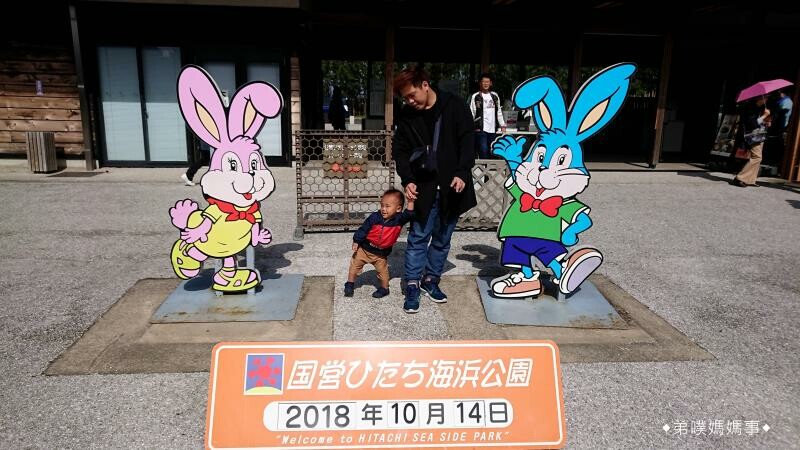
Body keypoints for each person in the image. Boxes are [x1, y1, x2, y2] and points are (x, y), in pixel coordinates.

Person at [392, 66, 477, 314]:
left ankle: (431, 279)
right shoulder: (407, 115)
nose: (410, 101)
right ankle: (412, 283)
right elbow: (400, 150)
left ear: (425, 84)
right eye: (405, 98)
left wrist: (462, 171)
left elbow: (467, 140)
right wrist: (407, 179)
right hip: (423, 185)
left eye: (412, 95)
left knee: (442, 238)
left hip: (453, 185)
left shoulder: (454, 105)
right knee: (418, 236)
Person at [345, 189, 415, 298]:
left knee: (383, 273)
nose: (383, 209)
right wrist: (356, 241)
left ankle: (384, 288)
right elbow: (363, 229)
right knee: (354, 267)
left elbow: (409, 214)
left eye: (387, 206)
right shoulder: (375, 217)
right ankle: (349, 284)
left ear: (398, 208)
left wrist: (410, 201)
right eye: (382, 205)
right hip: (364, 250)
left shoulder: (399, 220)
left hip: (380, 255)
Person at [731, 96, 770, 187]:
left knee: (757, 158)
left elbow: (758, 122)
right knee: (757, 157)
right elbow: (752, 123)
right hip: (752, 136)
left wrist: (766, 121)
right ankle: (740, 178)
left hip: (758, 135)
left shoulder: (759, 107)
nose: (767, 99)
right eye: (765, 97)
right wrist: (765, 115)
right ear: (759, 98)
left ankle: (750, 180)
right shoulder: (751, 108)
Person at [469, 73, 506, 159]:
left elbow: (499, 111)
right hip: (480, 128)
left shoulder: (495, 96)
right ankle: (484, 167)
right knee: (483, 149)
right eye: (483, 82)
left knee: (492, 150)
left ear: (490, 83)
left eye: (487, 82)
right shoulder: (476, 96)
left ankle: (491, 167)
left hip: (493, 128)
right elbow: (472, 112)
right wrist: (469, 125)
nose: (485, 84)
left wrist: (502, 125)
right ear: (480, 83)